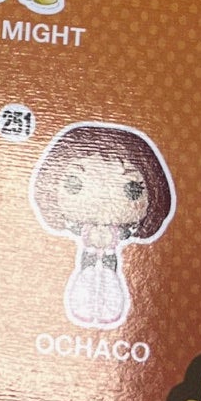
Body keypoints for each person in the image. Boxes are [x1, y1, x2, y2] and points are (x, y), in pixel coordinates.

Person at [29, 122, 174, 329]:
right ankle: (83, 305)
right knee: (86, 275)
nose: (103, 200)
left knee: (109, 277)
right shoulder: (79, 228)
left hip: (109, 259)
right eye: (74, 184)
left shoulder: (122, 231)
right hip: (87, 258)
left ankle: (109, 308)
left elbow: (127, 232)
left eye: (132, 189)